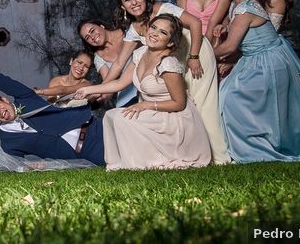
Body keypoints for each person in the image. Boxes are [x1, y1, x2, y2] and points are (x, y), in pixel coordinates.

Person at [213, 0, 300, 163]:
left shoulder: (246, 7)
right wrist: (224, 26)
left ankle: (255, 150)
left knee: (234, 98)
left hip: (268, 60)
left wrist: (199, 55)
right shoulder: (239, 4)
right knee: (228, 94)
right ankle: (243, 146)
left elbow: (229, 47)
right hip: (253, 57)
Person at [76, 14, 211, 170]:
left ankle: (138, 164)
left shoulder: (168, 64)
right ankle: (117, 164)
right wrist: (87, 89)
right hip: (153, 112)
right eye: (153, 27)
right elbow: (119, 83)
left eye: (163, 32)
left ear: (171, 42)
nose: (154, 33)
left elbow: (179, 104)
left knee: (123, 119)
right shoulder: (140, 54)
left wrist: (146, 105)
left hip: (173, 118)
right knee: (110, 115)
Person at [115, 0, 229, 164]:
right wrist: (101, 89)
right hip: (172, 61)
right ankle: (180, 154)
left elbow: (195, 23)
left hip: (195, 51)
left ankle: (218, 157)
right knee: (180, 108)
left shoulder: (162, 8)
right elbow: (120, 63)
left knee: (202, 105)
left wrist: (194, 56)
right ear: (123, 7)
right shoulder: (134, 29)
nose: (134, 2)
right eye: (127, 0)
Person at [0, 53, 105, 166]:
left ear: (4, 100)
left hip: (94, 128)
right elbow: (18, 165)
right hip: (87, 154)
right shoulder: (8, 142)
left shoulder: (25, 98)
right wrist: (32, 166)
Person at [76, 19, 138, 107]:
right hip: (126, 98)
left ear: (102, 26)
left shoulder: (129, 32)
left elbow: (119, 65)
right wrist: (98, 98)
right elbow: (107, 85)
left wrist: (95, 90)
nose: (92, 37)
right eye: (87, 37)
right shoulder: (98, 58)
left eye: (92, 31)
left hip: (146, 85)